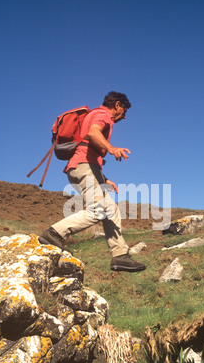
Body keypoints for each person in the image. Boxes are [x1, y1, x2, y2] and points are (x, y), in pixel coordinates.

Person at [39, 91, 146, 272]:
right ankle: (54, 234)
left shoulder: (94, 114)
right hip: (83, 166)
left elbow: (88, 146)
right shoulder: (103, 114)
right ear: (117, 105)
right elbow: (93, 132)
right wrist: (111, 149)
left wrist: (104, 179)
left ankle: (120, 255)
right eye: (124, 111)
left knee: (111, 210)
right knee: (100, 210)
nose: (124, 116)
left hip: (86, 167)